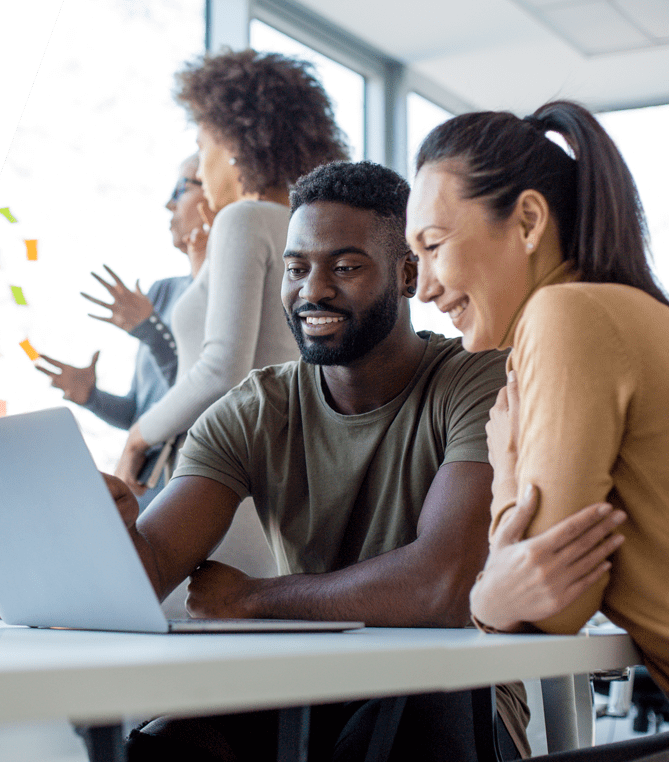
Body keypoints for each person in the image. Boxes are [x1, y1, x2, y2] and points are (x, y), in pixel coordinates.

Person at [104, 161, 529, 760]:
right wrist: (108, 532)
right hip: (306, 693)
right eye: (297, 269)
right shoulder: (256, 408)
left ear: (408, 274)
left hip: (451, 700)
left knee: (399, 719)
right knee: (170, 744)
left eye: (346, 267)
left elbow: (442, 589)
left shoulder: (478, 381)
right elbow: (149, 570)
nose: (313, 290)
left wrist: (255, 598)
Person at [406, 100, 669, 696]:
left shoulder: (564, 314)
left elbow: (554, 606)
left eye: (435, 245)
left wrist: (506, 455)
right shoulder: (621, 311)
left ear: (527, 221)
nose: (422, 289)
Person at [113, 49, 348, 494]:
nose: (201, 167)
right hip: (274, 464)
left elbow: (222, 368)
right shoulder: (306, 227)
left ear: (236, 140)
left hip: (221, 471)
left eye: (203, 148)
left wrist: (137, 436)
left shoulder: (244, 219)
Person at [36, 154, 210, 507]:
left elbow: (203, 392)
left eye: (182, 188)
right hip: (143, 481)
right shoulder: (161, 291)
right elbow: (140, 412)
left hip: (187, 480)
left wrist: (150, 330)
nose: (168, 203)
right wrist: (92, 398)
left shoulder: (226, 296)